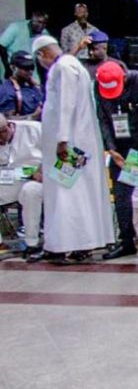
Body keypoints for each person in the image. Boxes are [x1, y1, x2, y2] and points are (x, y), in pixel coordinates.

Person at [31, 36, 114, 264]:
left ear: (42, 54)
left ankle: (63, 246)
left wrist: (62, 139)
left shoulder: (64, 68)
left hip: (68, 146)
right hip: (75, 142)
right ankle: (81, 244)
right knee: (77, 194)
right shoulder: (71, 64)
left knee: (65, 194)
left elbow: (67, 105)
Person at [92, 61, 138, 261]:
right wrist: (111, 149)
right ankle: (126, 241)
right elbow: (103, 118)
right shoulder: (98, 85)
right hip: (121, 148)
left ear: (124, 77)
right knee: (121, 195)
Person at [0, 116, 43, 258]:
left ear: (7, 127)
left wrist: (42, 170)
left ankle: (32, 243)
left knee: (30, 192)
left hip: (41, 179)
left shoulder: (35, 129)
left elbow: (59, 153)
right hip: (10, 179)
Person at [0, 52, 44, 119]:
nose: (30, 71)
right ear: (13, 68)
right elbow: (6, 119)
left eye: (32, 67)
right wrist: (32, 117)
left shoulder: (35, 86)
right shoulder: (7, 91)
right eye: (25, 68)